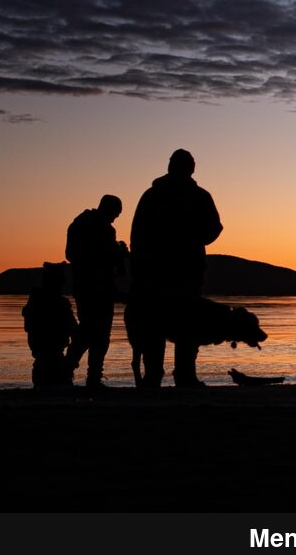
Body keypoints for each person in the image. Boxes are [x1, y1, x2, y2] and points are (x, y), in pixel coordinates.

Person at [130, 149, 223, 388]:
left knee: (170, 323)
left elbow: (137, 236)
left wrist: (140, 263)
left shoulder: (155, 195)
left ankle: (168, 375)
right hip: (170, 270)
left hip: (174, 270)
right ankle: (175, 375)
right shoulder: (192, 196)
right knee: (177, 323)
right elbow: (138, 235)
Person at [63, 194, 127, 389]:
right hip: (94, 288)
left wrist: (116, 254)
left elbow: (72, 255)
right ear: (107, 209)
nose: (115, 218)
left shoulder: (81, 224)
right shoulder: (99, 228)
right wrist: (116, 254)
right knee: (92, 332)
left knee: (93, 332)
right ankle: (71, 372)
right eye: (115, 214)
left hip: (89, 287)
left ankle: (83, 375)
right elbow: (75, 255)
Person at [22, 261, 77, 390]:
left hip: (43, 362)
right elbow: (74, 330)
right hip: (53, 362)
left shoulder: (34, 302)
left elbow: (28, 327)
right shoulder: (60, 304)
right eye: (61, 280)